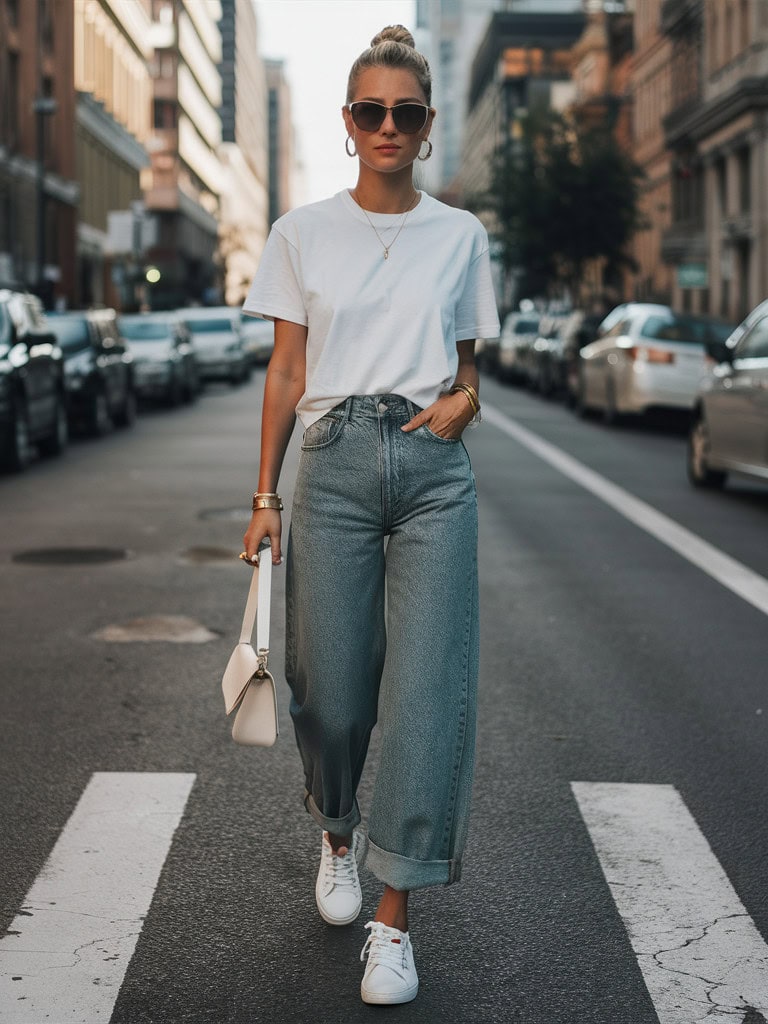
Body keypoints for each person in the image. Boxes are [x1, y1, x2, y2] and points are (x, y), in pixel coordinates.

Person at [241, 25, 499, 1006]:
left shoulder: (461, 237)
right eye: (369, 111)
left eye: (406, 112)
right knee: (333, 690)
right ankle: (338, 829)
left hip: (435, 471)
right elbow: (286, 370)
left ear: (427, 128)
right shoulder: (301, 231)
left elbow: (469, 369)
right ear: (347, 124)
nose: (387, 126)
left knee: (432, 697)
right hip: (337, 464)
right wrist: (265, 496)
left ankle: (395, 920)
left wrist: (465, 401)